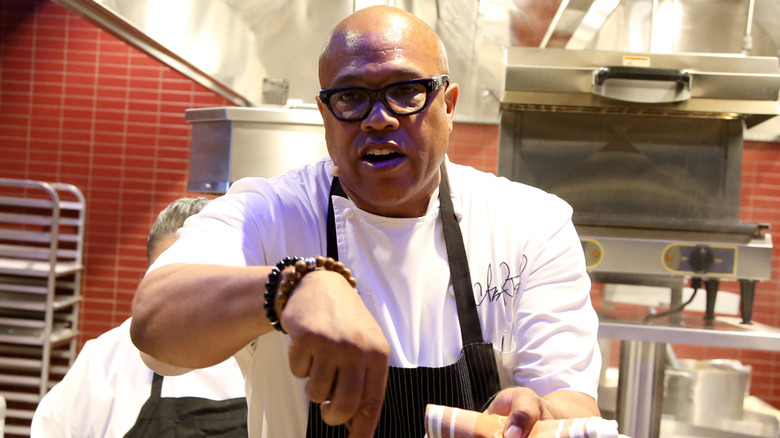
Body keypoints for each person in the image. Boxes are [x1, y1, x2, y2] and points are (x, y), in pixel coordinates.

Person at [130, 6, 602, 438]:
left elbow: (571, 402)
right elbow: (153, 325)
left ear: (449, 104)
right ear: (325, 115)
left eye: (405, 91)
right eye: (352, 97)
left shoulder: (530, 223)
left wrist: (540, 414)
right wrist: (290, 288)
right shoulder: (269, 212)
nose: (378, 119)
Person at [32, 197, 248, 437]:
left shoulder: (268, 357)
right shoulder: (105, 362)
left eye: (196, 284)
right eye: (167, 284)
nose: (182, 302)